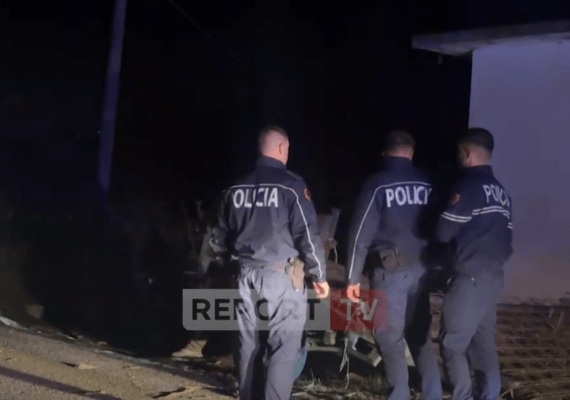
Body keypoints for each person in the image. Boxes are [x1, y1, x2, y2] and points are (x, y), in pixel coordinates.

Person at [208, 125, 330, 400]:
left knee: (246, 346)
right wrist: (319, 275)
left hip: (244, 276)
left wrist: (229, 268)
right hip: (282, 276)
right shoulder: (292, 186)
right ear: (282, 148)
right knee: (283, 348)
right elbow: (307, 235)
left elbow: (217, 238)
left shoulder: (234, 188)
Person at [345, 130, 442, 400]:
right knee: (419, 336)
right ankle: (433, 394)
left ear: (384, 153)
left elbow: (359, 234)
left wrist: (352, 278)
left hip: (389, 273)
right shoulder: (427, 183)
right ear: (411, 152)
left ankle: (398, 394)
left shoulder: (377, 184)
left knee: (388, 336)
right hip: (422, 271)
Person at [435, 128, 513, 400]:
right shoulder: (502, 193)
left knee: (452, 345)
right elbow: (507, 241)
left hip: (468, 279)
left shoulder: (468, 187)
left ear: (467, 152)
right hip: (492, 279)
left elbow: (443, 232)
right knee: (483, 347)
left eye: (459, 153)